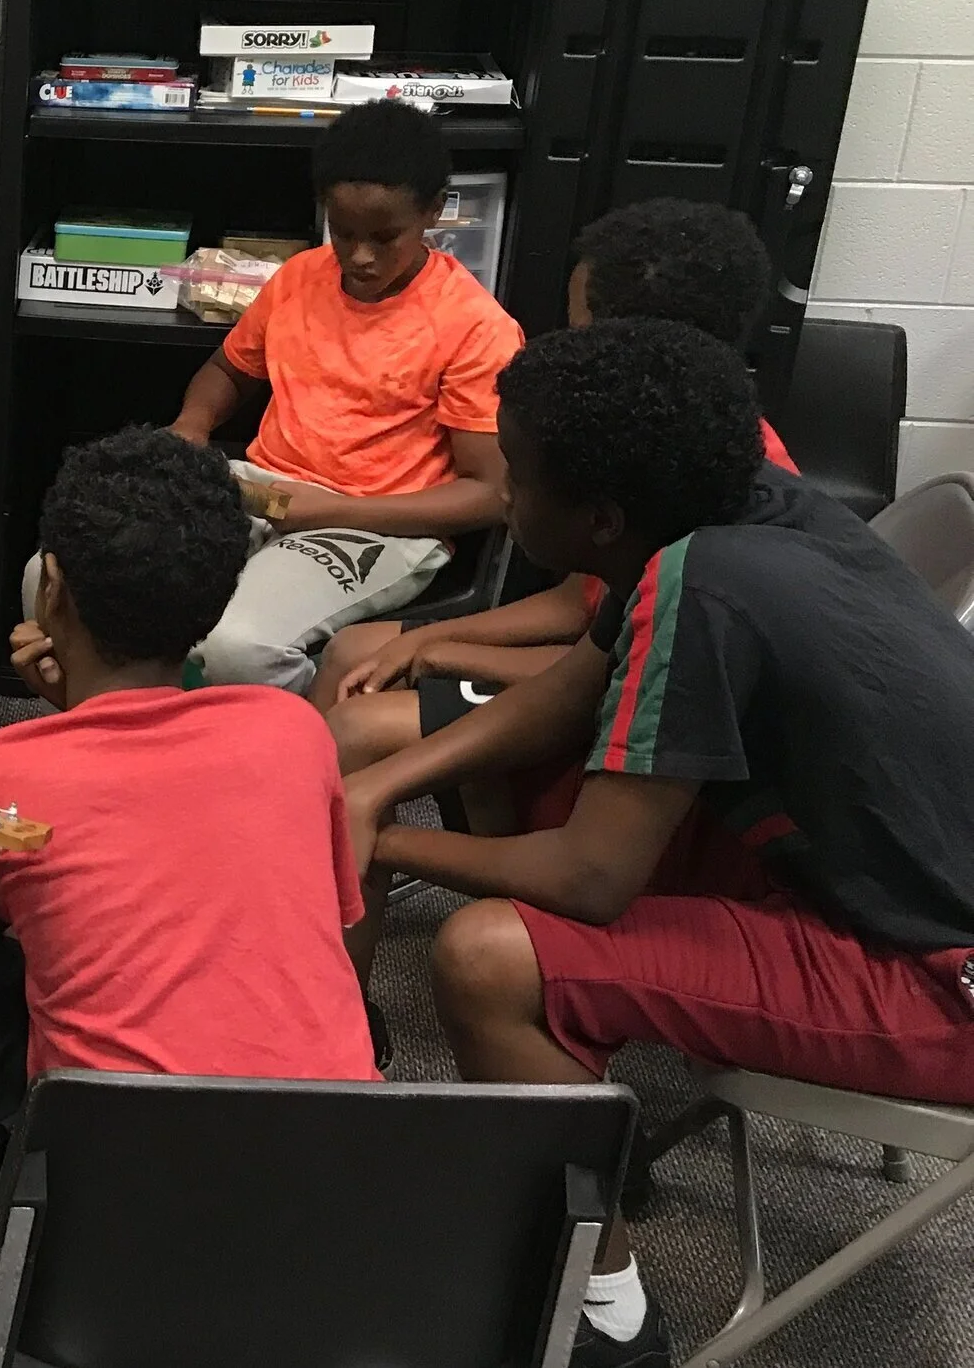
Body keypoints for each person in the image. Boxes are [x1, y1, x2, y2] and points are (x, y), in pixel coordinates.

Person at [355, 321, 974, 1367]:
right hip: (873, 874)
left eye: (518, 478)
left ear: (598, 518)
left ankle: (607, 1319)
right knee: (527, 787)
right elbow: (570, 690)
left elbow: (589, 879)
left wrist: (383, 841)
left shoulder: (711, 586)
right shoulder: (743, 507)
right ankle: (567, 1129)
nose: (503, 498)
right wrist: (382, 785)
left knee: (487, 956)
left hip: (939, 977)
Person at [0, 426, 376, 1368]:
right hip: (332, 1200)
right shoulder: (296, 733)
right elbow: (179, 813)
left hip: (109, 1220)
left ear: (53, 589)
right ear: (220, 596)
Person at [317, 200, 800, 794]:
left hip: (622, 703)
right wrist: (425, 639)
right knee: (354, 650)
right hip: (591, 662)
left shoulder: (700, 488)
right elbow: (579, 607)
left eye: (578, 331)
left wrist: (444, 650)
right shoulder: (646, 436)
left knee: (360, 729)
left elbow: (612, 677)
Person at [127, 100, 523, 695]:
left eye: (384, 237)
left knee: (237, 649)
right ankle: (146, 732)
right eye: (344, 232)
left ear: (435, 211)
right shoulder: (299, 277)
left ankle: (312, 729)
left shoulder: (475, 326)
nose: (360, 256)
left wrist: (325, 512)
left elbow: (491, 494)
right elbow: (227, 370)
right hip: (262, 490)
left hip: (379, 525)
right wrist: (192, 426)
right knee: (81, 578)